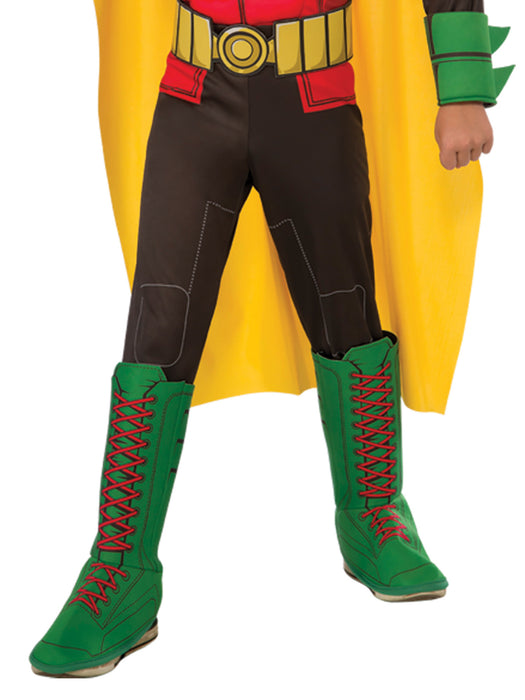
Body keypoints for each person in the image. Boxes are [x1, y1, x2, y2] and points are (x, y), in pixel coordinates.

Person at [29, 0, 513, 678]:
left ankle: (373, 515)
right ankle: (119, 568)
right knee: (157, 327)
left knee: (345, 308)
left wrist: (460, 89)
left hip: (315, 94)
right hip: (193, 92)